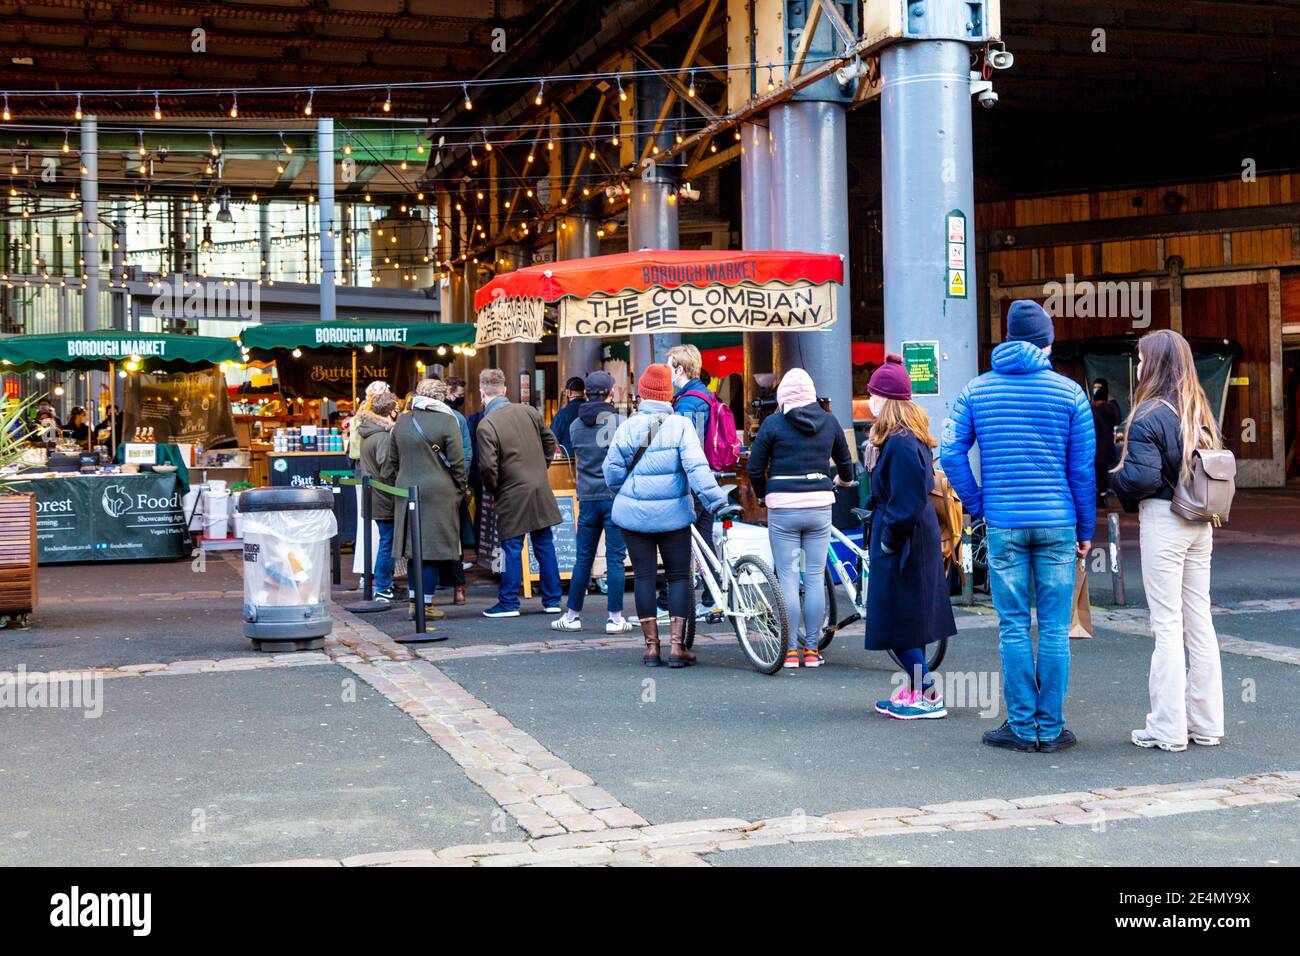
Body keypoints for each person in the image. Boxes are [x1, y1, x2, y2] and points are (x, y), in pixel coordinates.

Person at [940, 299, 1095, 753]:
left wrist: (979, 503)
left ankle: (1021, 726)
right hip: (1059, 524)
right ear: (1046, 343)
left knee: (1011, 626)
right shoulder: (1070, 394)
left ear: (1008, 339)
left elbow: (950, 453)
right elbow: (1082, 470)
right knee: (1052, 627)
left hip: (1005, 523)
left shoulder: (975, 391)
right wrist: (1085, 527)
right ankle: (1051, 727)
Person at [1111, 330, 1225, 752]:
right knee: (1200, 622)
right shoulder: (1199, 410)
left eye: (1141, 359)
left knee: (1166, 626)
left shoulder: (1147, 414)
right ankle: (1207, 723)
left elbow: (1139, 478)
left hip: (1165, 519)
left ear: (1154, 364)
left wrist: (1113, 478)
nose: (1138, 366)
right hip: (1201, 522)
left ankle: (1167, 728)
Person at [604, 363, 729, 668]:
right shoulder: (681, 426)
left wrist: (631, 490)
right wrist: (716, 502)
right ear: (669, 394)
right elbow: (697, 471)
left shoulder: (626, 425)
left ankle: (650, 649)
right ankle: (676, 647)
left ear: (642, 393)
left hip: (634, 517)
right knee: (678, 577)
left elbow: (611, 472)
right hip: (673, 517)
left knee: (645, 576)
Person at [855, 357, 958, 717]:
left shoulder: (897, 443)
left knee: (895, 619)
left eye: (873, 393)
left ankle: (927, 692)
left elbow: (906, 499)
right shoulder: (907, 438)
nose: (869, 400)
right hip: (912, 538)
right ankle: (916, 690)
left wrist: (888, 540)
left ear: (886, 399)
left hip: (903, 541)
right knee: (904, 618)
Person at [747, 367, 854, 668]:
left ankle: (790, 651)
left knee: (789, 578)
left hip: (784, 511)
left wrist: (762, 494)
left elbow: (755, 469)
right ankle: (812, 650)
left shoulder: (772, 424)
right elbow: (845, 465)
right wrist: (843, 482)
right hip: (819, 508)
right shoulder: (829, 421)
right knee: (817, 577)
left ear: (782, 396)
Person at [476, 367, 563, 618]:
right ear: (504, 390)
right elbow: (551, 442)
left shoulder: (487, 424)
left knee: (512, 547)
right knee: (544, 544)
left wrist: (494, 490)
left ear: (483, 393)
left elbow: (487, 467)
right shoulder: (529, 412)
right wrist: (541, 467)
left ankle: (509, 602)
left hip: (511, 491)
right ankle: (552, 600)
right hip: (539, 486)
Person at [552, 370, 631, 634]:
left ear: (586, 393)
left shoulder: (575, 426)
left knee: (583, 558)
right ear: (610, 393)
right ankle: (615, 618)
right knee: (616, 558)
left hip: (587, 497)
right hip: (614, 497)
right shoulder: (620, 423)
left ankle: (572, 615)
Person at [382, 377, 467, 623]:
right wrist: (461, 488)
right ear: (441, 396)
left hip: (406, 489)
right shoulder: (447, 420)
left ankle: (414, 603)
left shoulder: (402, 421)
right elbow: (458, 462)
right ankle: (425, 605)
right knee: (430, 550)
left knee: (413, 549)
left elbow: (391, 462)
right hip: (439, 493)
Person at [667, 343, 719, 613]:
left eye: (669, 367)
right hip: (707, 473)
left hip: (693, 479)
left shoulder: (689, 401)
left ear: (679, 368)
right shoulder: (703, 394)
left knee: (678, 540)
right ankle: (713, 598)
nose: (667, 373)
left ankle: (672, 603)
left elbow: (686, 444)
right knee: (704, 538)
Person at [357, 390, 398, 602]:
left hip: (376, 494)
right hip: (385, 495)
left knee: (385, 540)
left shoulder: (368, 432)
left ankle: (384, 583)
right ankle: (382, 586)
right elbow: (386, 467)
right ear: (391, 411)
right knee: (387, 542)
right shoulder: (382, 436)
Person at [1091, 378, 1122, 508]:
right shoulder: (1112, 407)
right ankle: (1103, 496)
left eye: (1098, 387)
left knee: (1098, 472)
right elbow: (1117, 420)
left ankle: (1101, 496)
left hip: (1095, 444)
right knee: (1103, 471)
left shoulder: (1093, 408)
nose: (1095, 389)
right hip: (1107, 444)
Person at [549, 376, 586, 458]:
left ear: (568, 393)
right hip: (591, 462)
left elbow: (552, 440)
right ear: (584, 392)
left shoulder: (562, 415)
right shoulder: (591, 411)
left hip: (568, 463)